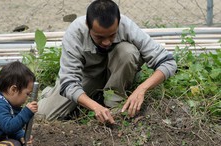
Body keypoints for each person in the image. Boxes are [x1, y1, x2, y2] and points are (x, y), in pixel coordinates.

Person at [37, 0, 177, 124]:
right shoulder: (76, 32)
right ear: (88, 25)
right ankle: (55, 92)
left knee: (127, 51)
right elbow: (69, 83)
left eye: (112, 35)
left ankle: (114, 102)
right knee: (43, 115)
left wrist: (141, 89)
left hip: (118, 73)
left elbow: (168, 62)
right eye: (99, 37)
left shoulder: (126, 25)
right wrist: (95, 107)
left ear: (118, 23)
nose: (106, 42)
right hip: (89, 77)